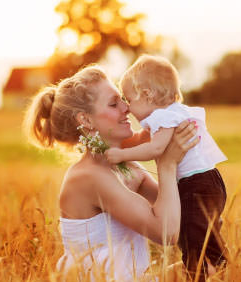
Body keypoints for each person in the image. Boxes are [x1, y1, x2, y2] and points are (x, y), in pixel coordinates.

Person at [22, 65, 199, 281]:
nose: (127, 108)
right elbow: (166, 232)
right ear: (85, 120)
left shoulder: (127, 166)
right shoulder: (89, 176)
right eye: (114, 103)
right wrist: (167, 164)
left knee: (204, 268)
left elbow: (180, 216)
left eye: (123, 99)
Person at [105, 54, 228, 279]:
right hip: (211, 181)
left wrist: (120, 154)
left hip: (196, 184)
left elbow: (154, 149)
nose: (128, 108)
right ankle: (219, 267)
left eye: (129, 99)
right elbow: (144, 138)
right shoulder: (175, 112)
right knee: (204, 236)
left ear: (146, 94)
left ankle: (198, 275)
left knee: (192, 241)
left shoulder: (163, 117)